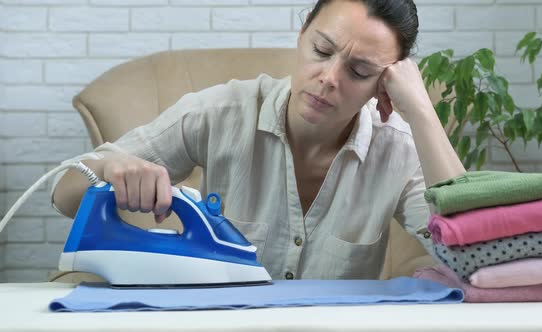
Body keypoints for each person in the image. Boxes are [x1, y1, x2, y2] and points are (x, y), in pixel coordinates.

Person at [51, 0, 465, 280]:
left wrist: (422, 112)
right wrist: (110, 169)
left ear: (385, 83)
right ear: (302, 34)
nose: (329, 79)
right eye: (322, 50)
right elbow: (63, 194)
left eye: (359, 72)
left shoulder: (396, 149)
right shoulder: (219, 114)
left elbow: (470, 252)